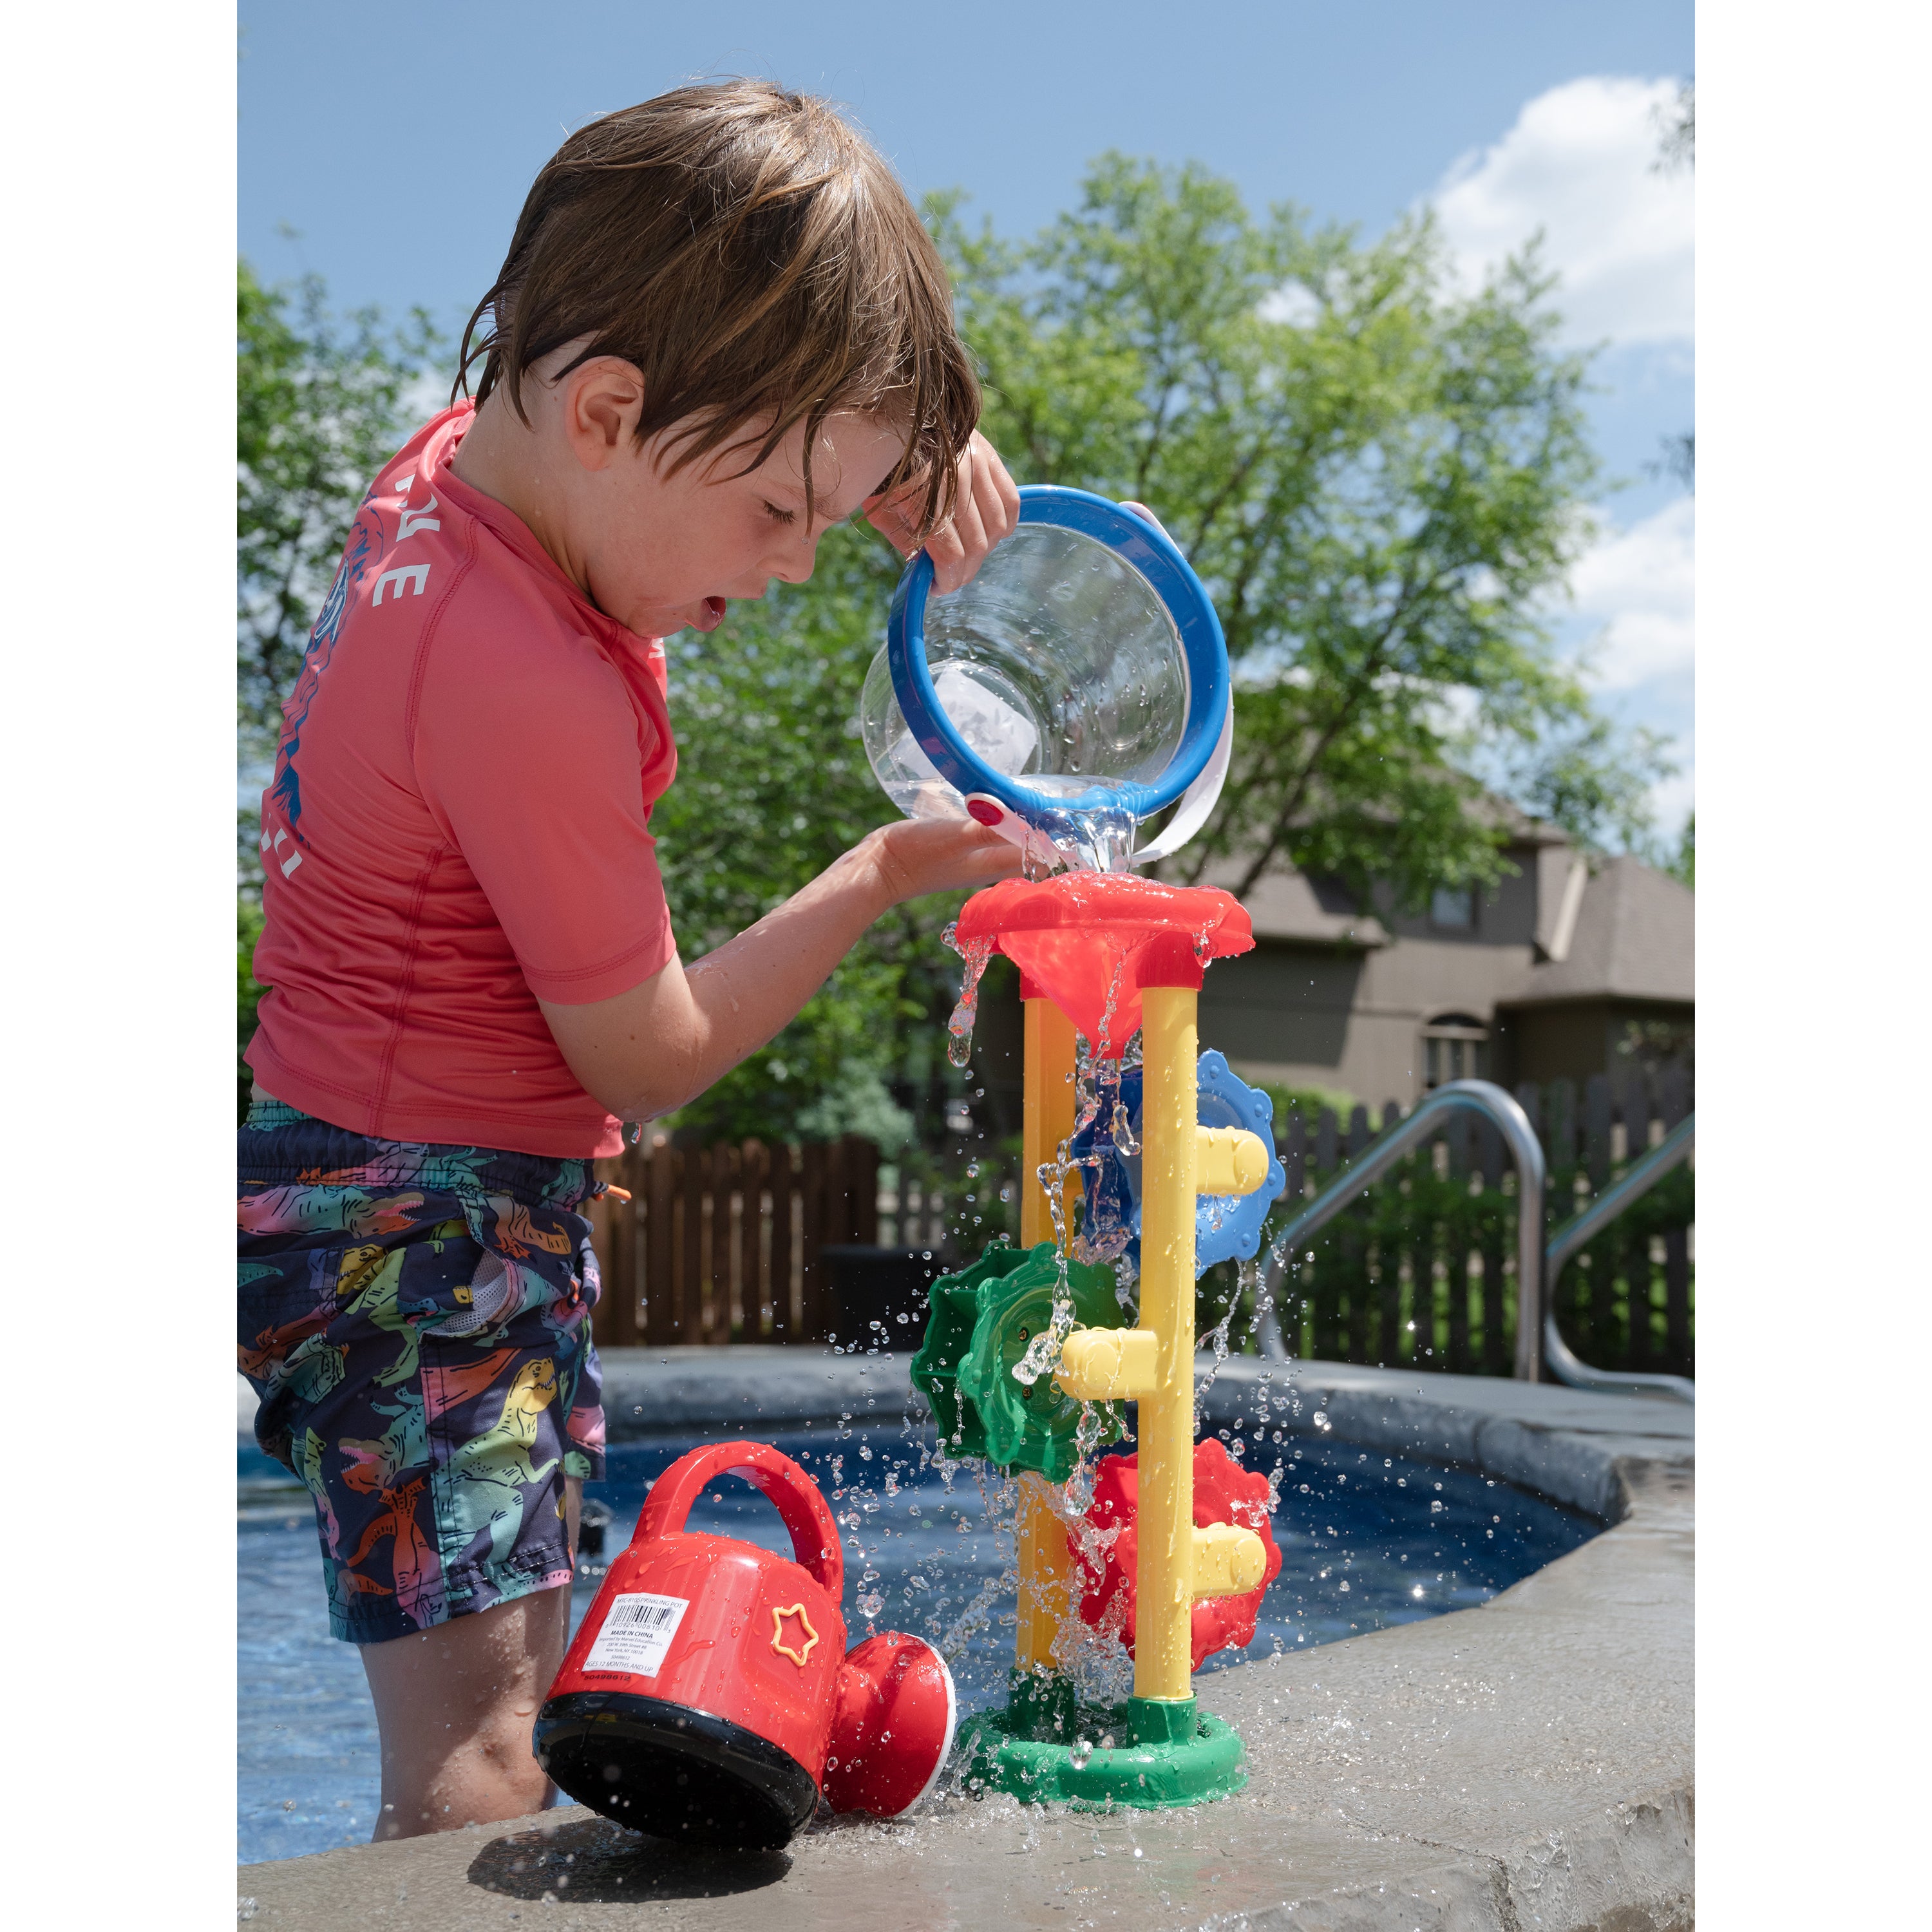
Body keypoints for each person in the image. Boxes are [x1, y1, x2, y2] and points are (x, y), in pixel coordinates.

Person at [238, 80, 1023, 1841]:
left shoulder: (461, 478)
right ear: (607, 412)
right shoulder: (523, 690)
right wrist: (872, 876)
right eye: (777, 513)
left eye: (832, 511)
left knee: (500, 1698)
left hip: (362, 1194)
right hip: (419, 1229)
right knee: (482, 1758)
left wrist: (882, 456)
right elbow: (649, 1056)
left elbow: (674, 371)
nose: (805, 558)